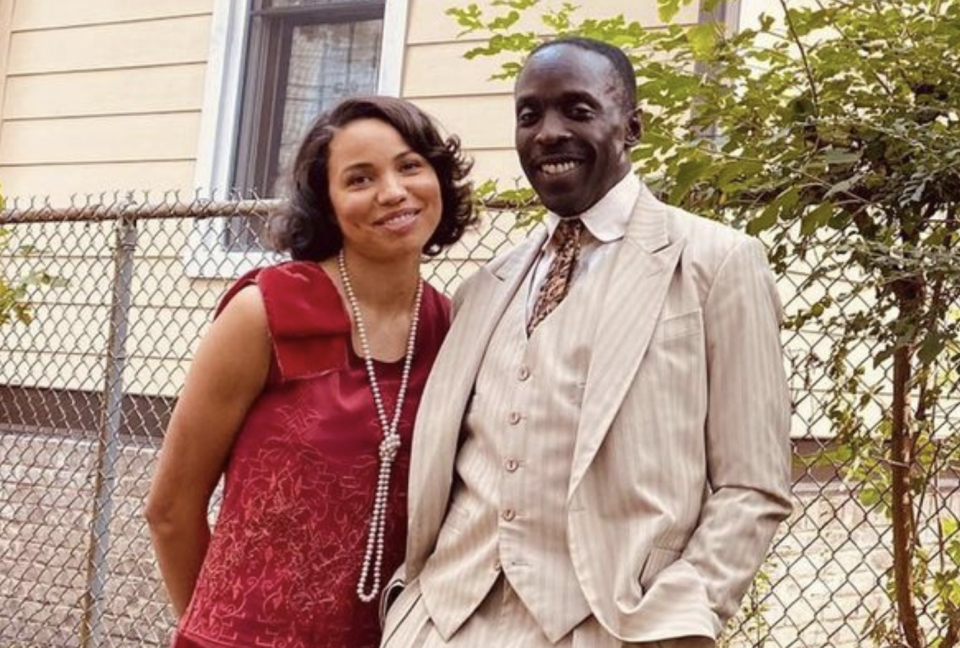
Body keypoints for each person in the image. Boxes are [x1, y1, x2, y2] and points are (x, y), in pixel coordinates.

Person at [380, 37, 793, 648]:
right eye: (529, 115)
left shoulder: (716, 263)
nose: (548, 132)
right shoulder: (485, 287)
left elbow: (752, 484)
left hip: (611, 625)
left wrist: (682, 617)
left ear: (631, 127)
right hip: (443, 620)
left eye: (577, 110)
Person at [145, 95, 475, 648]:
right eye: (360, 178)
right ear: (327, 202)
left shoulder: (452, 326)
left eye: (410, 165)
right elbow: (170, 509)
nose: (393, 192)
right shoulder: (266, 312)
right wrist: (214, 629)